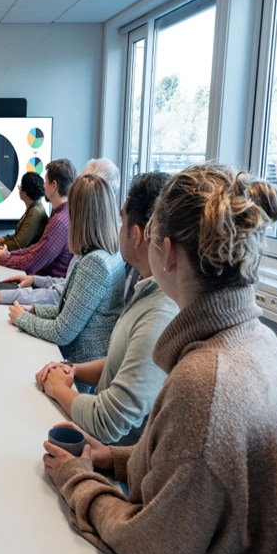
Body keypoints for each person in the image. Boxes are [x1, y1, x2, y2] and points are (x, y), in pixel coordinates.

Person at [41, 165, 277, 554]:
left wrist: (76, 478)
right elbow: (193, 463)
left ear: (166, 252)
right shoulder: (263, 343)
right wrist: (111, 458)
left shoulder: (204, 386)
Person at [34, 172, 177, 445]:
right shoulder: (146, 290)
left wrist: (58, 389)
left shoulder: (159, 314)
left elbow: (108, 422)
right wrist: (72, 369)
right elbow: (120, 363)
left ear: (136, 235)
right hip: (106, 446)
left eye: (122, 220)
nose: (117, 227)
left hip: (105, 449)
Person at [9, 174, 125, 364]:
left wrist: (22, 319)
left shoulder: (94, 263)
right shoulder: (109, 254)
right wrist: (33, 310)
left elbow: (62, 332)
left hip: (77, 364)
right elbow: (69, 312)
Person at [0, 158, 120, 304]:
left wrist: (4, 261)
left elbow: (55, 292)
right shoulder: (93, 245)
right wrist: (32, 279)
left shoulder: (65, 225)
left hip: (44, 295)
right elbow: (63, 283)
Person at [0, 158, 76, 277]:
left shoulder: (59, 222)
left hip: (44, 283)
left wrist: (2, 258)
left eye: (45, 182)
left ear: (53, 185)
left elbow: (33, 262)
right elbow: (37, 249)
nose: (43, 186)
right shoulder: (64, 214)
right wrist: (9, 254)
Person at [0, 171, 48, 250]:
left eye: (21, 187)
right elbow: (18, 236)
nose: (19, 189)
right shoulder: (35, 208)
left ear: (25, 192)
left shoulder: (35, 212)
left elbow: (18, 244)